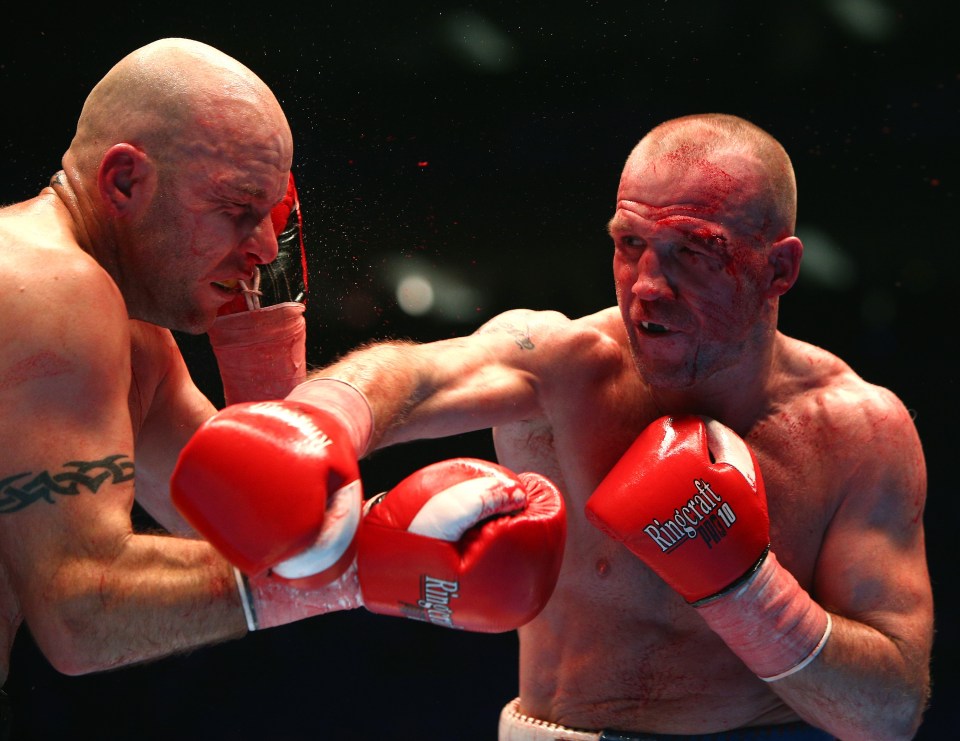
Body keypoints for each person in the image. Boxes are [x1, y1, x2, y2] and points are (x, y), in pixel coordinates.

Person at [174, 113, 933, 740]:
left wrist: (744, 588)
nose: (647, 286)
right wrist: (319, 420)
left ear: (780, 269)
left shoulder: (858, 431)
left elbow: (891, 711)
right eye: (629, 244)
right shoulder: (568, 366)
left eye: (694, 254)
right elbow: (423, 373)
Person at [0, 36, 566, 737]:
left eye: (271, 217)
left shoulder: (132, 336)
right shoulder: (49, 284)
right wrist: (366, 574)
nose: (267, 247)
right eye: (238, 208)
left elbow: (267, 525)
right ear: (123, 183)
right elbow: (81, 613)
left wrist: (263, 345)